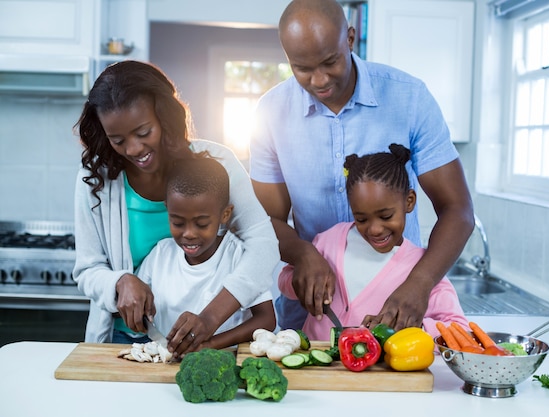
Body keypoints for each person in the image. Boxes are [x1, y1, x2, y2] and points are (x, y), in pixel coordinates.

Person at [249, 0, 474, 331]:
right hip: (314, 316)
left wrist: (418, 284)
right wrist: (302, 254)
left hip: (397, 311)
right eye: (302, 68)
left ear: (350, 39)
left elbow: (458, 209)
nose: (319, 80)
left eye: (330, 62)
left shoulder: (409, 98)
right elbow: (265, 220)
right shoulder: (270, 113)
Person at [73, 60, 279, 356]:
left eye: (143, 132)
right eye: (117, 140)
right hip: (123, 341)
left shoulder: (217, 165)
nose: (133, 149)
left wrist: (209, 319)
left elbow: (263, 245)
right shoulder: (95, 179)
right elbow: (87, 269)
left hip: (205, 340)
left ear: (165, 118)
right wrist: (120, 282)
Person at [277, 145, 469, 340]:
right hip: (318, 366)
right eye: (361, 219)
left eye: (386, 216)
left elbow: (459, 330)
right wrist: (300, 284)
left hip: (377, 370)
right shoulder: (329, 240)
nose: (374, 229)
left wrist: (415, 328)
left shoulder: (421, 266)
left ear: (409, 201)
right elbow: (286, 279)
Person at [136, 156, 276, 350]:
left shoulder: (238, 256)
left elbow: (267, 319)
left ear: (225, 215)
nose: (189, 234)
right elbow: (140, 305)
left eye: (201, 224)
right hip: (168, 363)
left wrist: (211, 344)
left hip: (227, 362)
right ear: (167, 210)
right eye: (177, 223)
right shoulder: (160, 255)